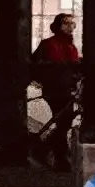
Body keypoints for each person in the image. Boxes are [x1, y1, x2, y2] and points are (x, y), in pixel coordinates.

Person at [32, 16, 83, 166]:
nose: (70, 27)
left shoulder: (71, 47)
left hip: (66, 89)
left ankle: (52, 152)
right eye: (66, 23)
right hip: (56, 88)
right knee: (63, 121)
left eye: (72, 24)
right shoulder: (49, 44)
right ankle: (58, 155)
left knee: (63, 122)